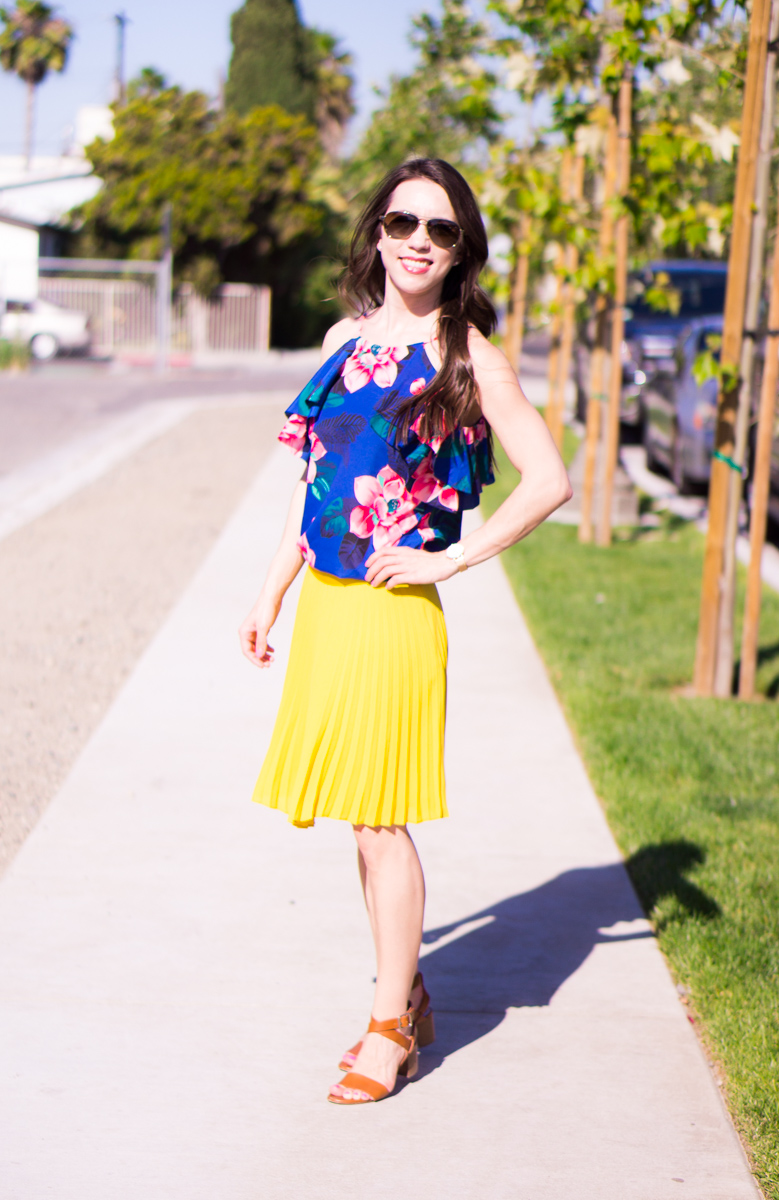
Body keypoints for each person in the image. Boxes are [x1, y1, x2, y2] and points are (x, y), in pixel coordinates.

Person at [239, 157, 571, 1105]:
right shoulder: (347, 338)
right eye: (403, 223)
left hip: (394, 617)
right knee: (358, 818)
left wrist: (448, 561)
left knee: (382, 822)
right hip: (328, 609)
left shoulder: (469, 355)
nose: (419, 242)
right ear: (377, 234)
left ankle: (390, 1029)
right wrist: (271, 591)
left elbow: (550, 481)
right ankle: (410, 992)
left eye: (441, 229)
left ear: (461, 247)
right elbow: (319, 489)